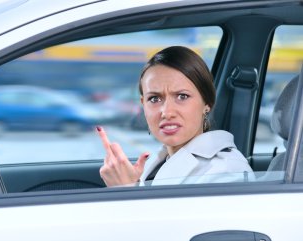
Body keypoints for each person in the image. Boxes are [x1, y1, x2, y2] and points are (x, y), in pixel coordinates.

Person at [96, 46, 254, 187]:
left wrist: (125, 191)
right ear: (143, 104)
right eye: (155, 99)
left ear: (207, 103)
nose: (167, 112)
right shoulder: (158, 161)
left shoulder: (229, 172)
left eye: (182, 96)